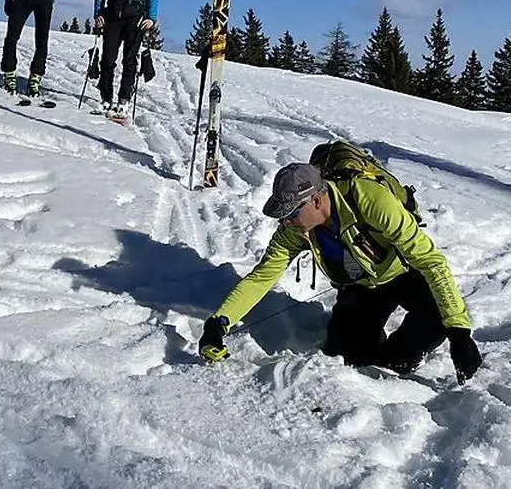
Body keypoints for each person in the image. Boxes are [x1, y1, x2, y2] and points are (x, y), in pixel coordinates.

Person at [198, 159, 483, 383]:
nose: (286, 222)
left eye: (292, 213)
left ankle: (404, 353)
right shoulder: (295, 229)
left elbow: (431, 261)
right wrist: (218, 323)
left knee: (408, 352)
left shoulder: (371, 201)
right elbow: (263, 276)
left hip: (404, 274)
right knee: (352, 357)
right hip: (360, 287)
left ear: (316, 200)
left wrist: (460, 333)